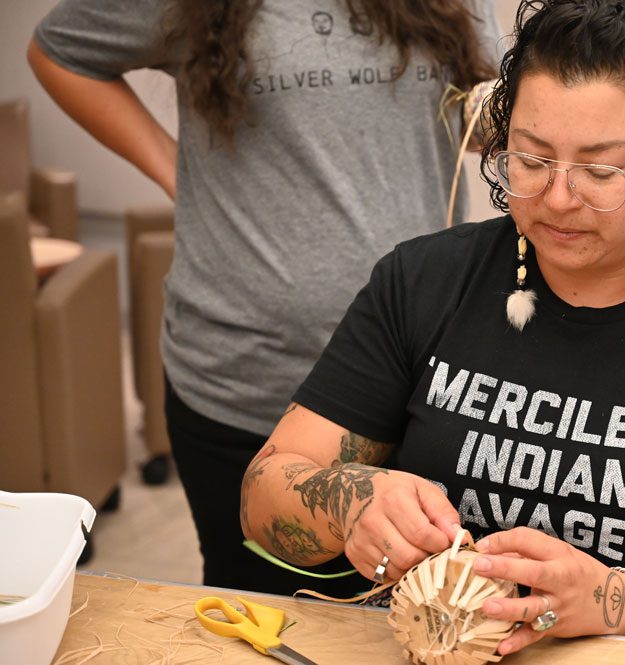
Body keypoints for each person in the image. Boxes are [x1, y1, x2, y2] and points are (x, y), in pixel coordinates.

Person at [242, 0, 625, 651]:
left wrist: (610, 598)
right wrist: (348, 501)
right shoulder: (423, 283)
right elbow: (262, 497)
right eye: (532, 158)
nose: (558, 197)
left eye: (601, 170)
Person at [29, 0, 500, 595]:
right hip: (246, 375)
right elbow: (59, 52)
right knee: (257, 608)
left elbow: (478, 122)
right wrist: (175, 170)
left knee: (422, 617)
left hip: (415, 379)